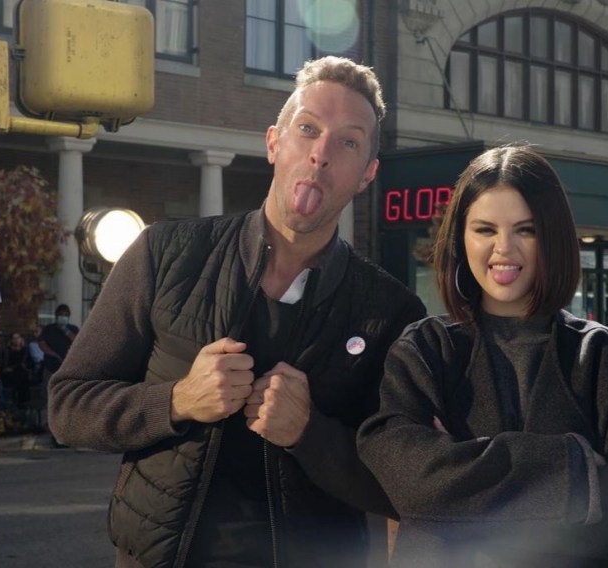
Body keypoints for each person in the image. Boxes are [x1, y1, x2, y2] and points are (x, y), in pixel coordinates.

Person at [48, 55, 427, 568]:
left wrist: (309, 433)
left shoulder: (391, 311)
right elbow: (69, 408)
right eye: (307, 129)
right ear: (274, 143)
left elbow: (402, 483)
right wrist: (176, 400)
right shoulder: (164, 254)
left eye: (348, 143)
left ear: (367, 174)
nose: (320, 154)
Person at [357, 145, 608, 567]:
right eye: (485, 229)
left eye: (526, 230)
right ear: (461, 238)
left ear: (552, 237)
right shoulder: (424, 352)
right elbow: (407, 479)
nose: (504, 248)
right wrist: (574, 469)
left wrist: (457, 487)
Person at [0, 332, 31, 411]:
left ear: (21, 339)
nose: (16, 340)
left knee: (22, 375)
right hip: (9, 372)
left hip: (21, 371)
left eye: (18, 338)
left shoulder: (25, 350)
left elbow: (29, 363)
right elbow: (1, 363)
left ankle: (22, 402)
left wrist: (26, 366)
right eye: (14, 338)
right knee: (18, 376)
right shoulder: (6, 350)